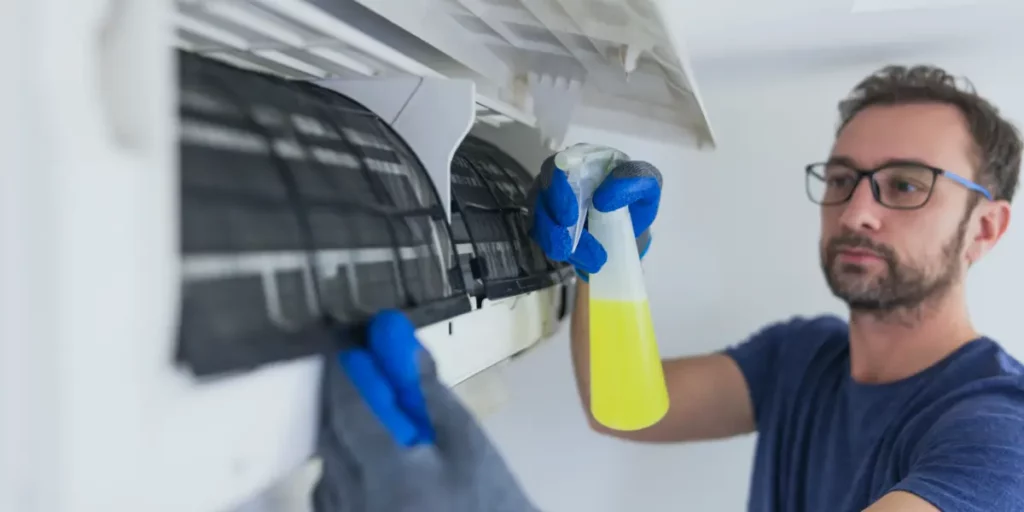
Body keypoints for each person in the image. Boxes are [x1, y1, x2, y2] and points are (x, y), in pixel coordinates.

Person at [314, 64, 1024, 512]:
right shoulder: (805, 360)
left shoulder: (996, 434)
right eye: (841, 178)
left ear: (985, 229)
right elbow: (630, 410)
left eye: (905, 184)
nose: (857, 210)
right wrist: (609, 255)